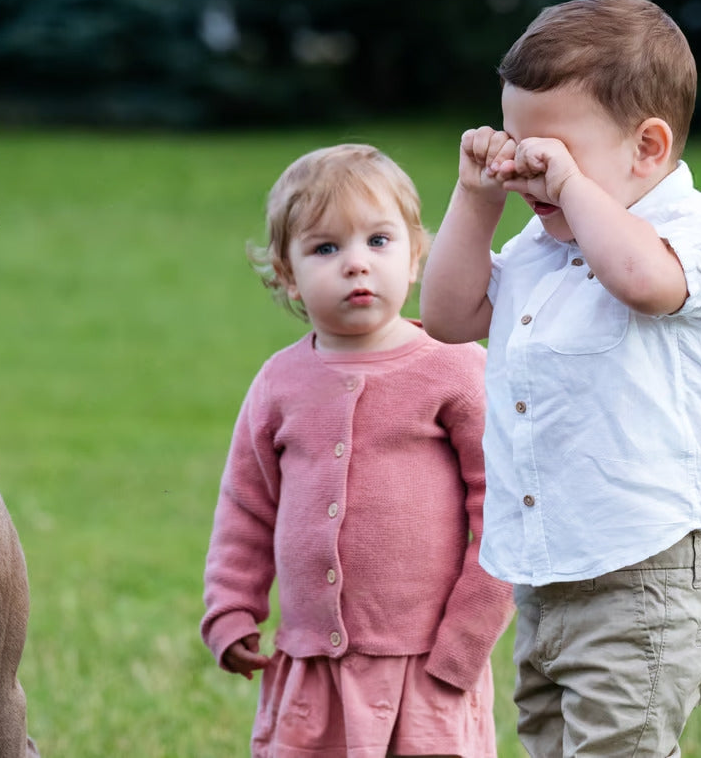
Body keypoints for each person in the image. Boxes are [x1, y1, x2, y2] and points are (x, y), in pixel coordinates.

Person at [419, 0, 701, 757]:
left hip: (644, 570)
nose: (530, 171)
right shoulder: (541, 247)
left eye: (555, 154)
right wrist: (475, 198)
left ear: (648, 148)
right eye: (519, 146)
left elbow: (641, 281)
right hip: (544, 572)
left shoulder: (690, 232)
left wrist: (568, 187)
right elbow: (448, 314)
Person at [201, 144, 513, 758]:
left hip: (428, 665)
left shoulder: (454, 369)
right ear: (286, 274)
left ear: (417, 255)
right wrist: (231, 608)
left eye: (379, 241)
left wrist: (467, 638)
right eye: (325, 248)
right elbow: (247, 504)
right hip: (313, 668)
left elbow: (503, 510)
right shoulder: (279, 383)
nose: (355, 265)